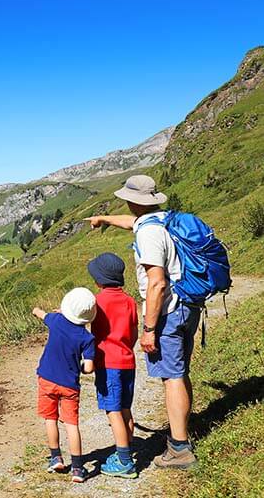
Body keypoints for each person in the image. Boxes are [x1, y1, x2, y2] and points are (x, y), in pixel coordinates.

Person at [85, 174, 200, 469]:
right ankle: (180, 437)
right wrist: (104, 219)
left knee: (172, 376)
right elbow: (131, 221)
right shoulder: (161, 219)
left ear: (132, 200)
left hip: (169, 312)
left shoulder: (148, 234)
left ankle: (179, 449)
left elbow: (157, 283)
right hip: (187, 304)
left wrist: (148, 329)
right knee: (179, 372)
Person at [33, 287, 97, 483]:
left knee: (50, 419)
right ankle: (77, 468)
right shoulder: (87, 338)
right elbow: (89, 368)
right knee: (71, 423)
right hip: (69, 385)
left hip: (47, 379)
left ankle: (56, 457)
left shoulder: (56, 321)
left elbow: (41, 314)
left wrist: (36, 310)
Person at [88, 252, 139, 478]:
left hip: (108, 363)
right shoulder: (129, 301)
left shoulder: (98, 301)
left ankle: (125, 461)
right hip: (128, 361)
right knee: (126, 408)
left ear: (100, 279)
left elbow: (81, 321)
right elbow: (134, 333)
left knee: (113, 411)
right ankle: (126, 448)